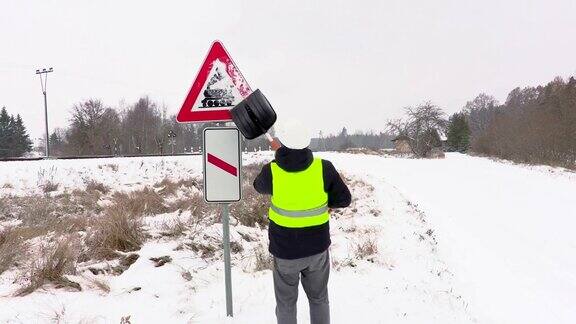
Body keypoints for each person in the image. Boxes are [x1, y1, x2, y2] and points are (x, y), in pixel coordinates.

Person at [253, 119, 352, 324]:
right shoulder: (324, 168)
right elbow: (344, 199)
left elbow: (258, 186)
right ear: (307, 143)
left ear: (283, 143)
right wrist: (328, 203)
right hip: (317, 250)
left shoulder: (272, 171)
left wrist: (279, 156)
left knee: (286, 304)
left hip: (285, 252)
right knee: (319, 299)